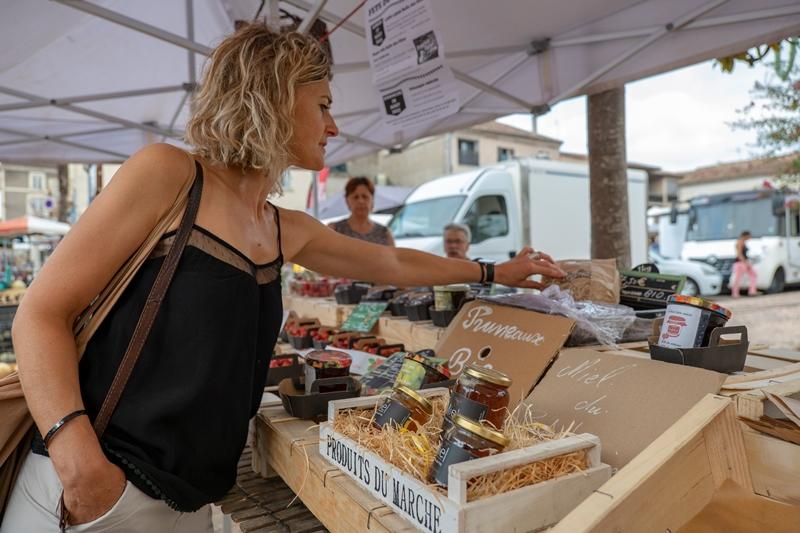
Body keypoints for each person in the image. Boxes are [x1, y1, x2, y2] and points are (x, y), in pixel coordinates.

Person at [4, 23, 564, 532]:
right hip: (94, 491)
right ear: (271, 96)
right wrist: (79, 465)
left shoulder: (282, 228)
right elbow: (40, 313)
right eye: (321, 104)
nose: (334, 125)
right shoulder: (169, 175)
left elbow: (395, 265)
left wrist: (496, 271)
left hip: (192, 500)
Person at [328, 176, 395, 245]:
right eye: (355, 197)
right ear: (347, 201)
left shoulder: (384, 234)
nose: (361, 201)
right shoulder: (334, 230)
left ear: (372, 200)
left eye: (365, 196)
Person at [732, 230, 757, 297]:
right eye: (749, 236)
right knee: (738, 278)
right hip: (740, 263)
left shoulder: (743, 242)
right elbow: (739, 254)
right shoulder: (740, 242)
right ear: (745, 235)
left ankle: (752, 291)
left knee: (753, 274)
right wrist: (745, 263)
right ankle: (735, 293)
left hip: (743, 262)